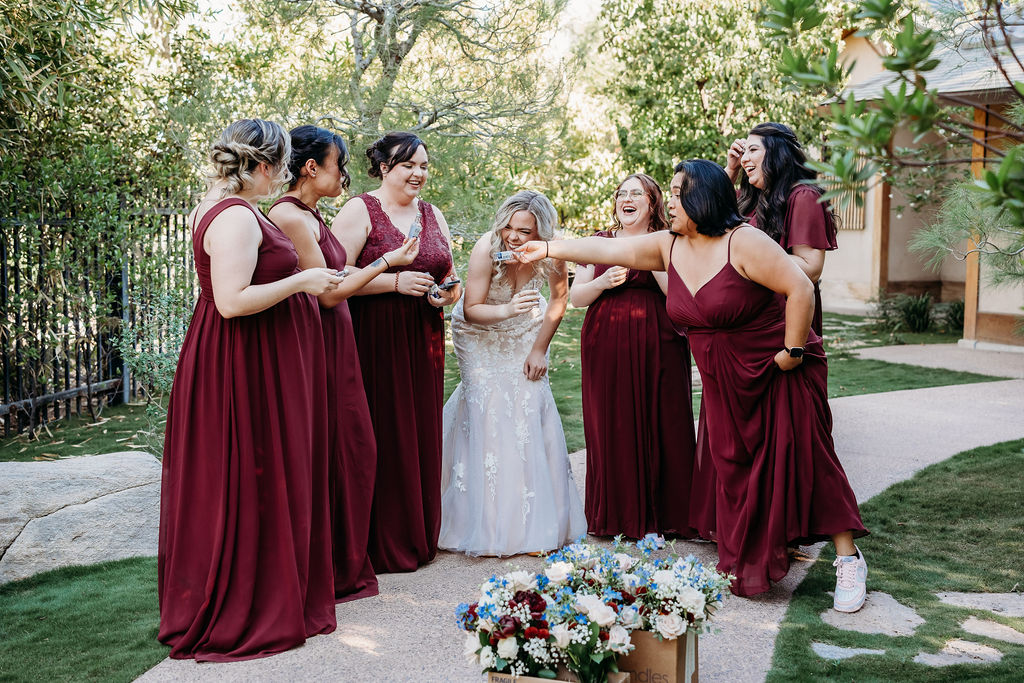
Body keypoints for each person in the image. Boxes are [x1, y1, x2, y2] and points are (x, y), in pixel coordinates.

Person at [514, 160, 869, 612]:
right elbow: (604, 251)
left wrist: (792, 352)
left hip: (776, 367)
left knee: (807, 458)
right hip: (724, 377)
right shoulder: (668, 246)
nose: (671, 201)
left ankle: (848, 559)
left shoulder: (743, 241)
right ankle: (752, 554)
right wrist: (545, 247)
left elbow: (800, 286)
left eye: (679, 193)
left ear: (703, 198)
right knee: (734, 465)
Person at [159, 119, 343, 661]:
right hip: (241, 363)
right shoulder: (236, 216)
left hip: (244, 357)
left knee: (250, 474)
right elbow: (232, 300)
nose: (282, 177)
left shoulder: (223, 205)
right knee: (248, 473)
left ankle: (265, 586)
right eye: (279, 166)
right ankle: (248, 601)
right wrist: (303, 281)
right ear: (261, 166)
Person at [267, 125, 420, 602]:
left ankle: (343, 561)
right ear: (312, 168)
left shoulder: (312, 214)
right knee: (347, 451)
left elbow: (337, 272)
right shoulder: (289, 216)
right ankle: (332, 568)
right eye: (339, 164)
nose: (345, 174)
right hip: (321, 343)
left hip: (339, 344)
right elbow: (330, 293)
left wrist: (391, 261)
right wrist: (386, 268)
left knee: (353, 451)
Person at [331, 132, 462, 573]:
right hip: (375, 339)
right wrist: (392, 282)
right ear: (384, 167)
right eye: (409, 165)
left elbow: (451, 275)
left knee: (420, 431)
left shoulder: (432, 214)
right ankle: (380, 541)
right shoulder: (359, 210)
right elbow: (330, 271)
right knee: (386, 432)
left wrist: (447, 294)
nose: (419, 174)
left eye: (424, 165)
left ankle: (418, 534)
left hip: (423, 339)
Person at [439, 190, 586, 556]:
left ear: (542, 232)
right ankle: (484, 523)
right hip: (479, 331)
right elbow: (471, 308)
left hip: (525, 328)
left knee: (528, 397)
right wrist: (507, 310)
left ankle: (534, 520)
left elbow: (558, 299)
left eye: (525, 231)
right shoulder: (485, 249)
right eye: (509, 227)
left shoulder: (552, 254)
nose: (514, 237)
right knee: (489, 405)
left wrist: (539, 349)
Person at [569, 173, 705, 539]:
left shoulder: (668, 241)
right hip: (605, 342)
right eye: (621, 194)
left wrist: (646, 255)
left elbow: (676, 291)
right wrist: (600, 282)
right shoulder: (599, 241)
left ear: (652, 204)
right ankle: (615, 517)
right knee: (609, 422)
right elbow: (575, 298)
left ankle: (669, 517)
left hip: (658, 340)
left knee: (664, 419)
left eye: (637, 194)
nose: (626, 199)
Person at [725, 122, 838, 336]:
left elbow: (810, 268)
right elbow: (703, 210)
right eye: (743, 151)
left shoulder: (803, 197)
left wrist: (745, 264)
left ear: (777, 152)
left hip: (784, 320)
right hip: (748, 318)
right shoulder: (748, 201)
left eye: (753, 149)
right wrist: (730, 170)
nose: (744, 158)